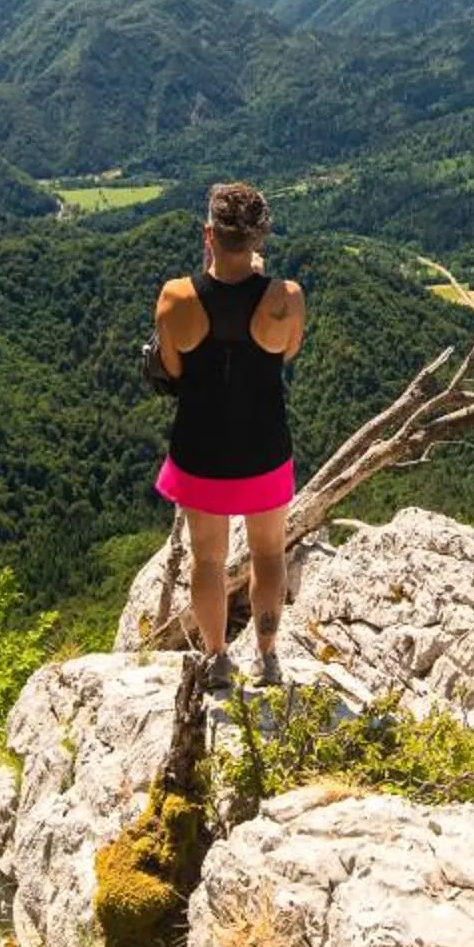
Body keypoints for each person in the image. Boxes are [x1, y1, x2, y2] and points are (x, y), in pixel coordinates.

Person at [153, 180, 307, 679]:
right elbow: (285, 354)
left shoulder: (176, 298)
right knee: (267, 553)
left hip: (200, 452)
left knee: (209, 562)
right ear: (259, 239)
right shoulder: (286, 298)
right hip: (264, 447)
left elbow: (172, 371)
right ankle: (267, 655)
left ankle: (217, 657)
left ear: (208, 234)